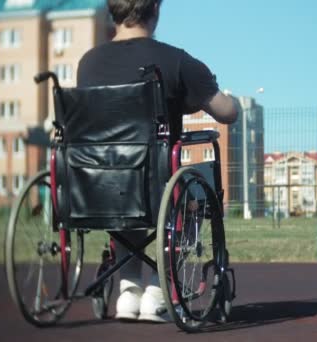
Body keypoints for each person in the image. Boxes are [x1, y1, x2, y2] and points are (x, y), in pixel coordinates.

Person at [77, 0, 239, 323]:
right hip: (160, 184)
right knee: (189, 184)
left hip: (100, 187)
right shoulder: (175, 60)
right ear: (156, 9)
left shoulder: (87, 65)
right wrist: (235, 102)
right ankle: (157, 293)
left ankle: (128, 289)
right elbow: (226, 112)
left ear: (113, 10)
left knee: (128, 183)